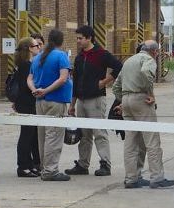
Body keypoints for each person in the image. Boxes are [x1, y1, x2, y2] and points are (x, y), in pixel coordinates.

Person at [113, 40, 174, 189]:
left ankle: (131, 178)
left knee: (131, 142)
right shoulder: (148, 59)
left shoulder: (128, 60)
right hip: (141, 100)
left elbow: (116, 86)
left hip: (126, 99)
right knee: (152, 140)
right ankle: (157, 177)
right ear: (155, 52)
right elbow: (146, 73)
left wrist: (123, 101)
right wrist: (150, 93)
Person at [66, 25, 122, 177]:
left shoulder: (101, 54)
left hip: (96, 99)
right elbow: (76, 82)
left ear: (89, 38)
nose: (78, 41)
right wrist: (72, 104)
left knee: (99, 132)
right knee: (84, 134)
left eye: (80, 38)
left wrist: (104, 82)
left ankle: (105, 164)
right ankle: (83, 164)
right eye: (77, 38)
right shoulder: (79, 57)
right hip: (81, 100)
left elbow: (119, 67)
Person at [28, 29, 73, 182]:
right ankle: (51, 170)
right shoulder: (61, 56)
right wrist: (46, 90)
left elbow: (30, 79)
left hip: (40, 102)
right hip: (56, 100)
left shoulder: (37, 58)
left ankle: (44, 167)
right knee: (53, 135)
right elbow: (63, 79)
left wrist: (36, 91)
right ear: (61, 41)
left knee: (42, 136)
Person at [12, 37, 41, 177]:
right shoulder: (26, 65)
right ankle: (22, 166)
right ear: (30, 48)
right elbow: (25, 86)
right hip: (26, 103)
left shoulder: (26, 63)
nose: (38, 48)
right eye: (36, 46)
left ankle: (29, 164)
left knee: (31, 135)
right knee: (26, 135)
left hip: (25, 102)